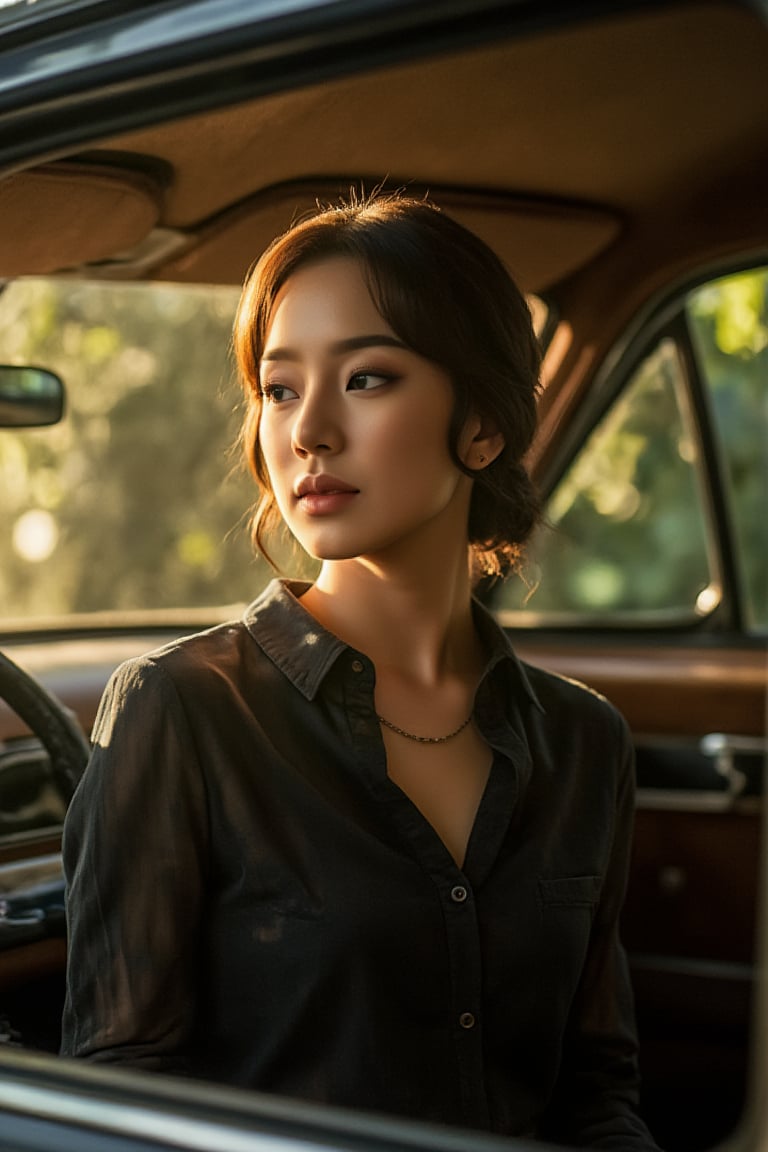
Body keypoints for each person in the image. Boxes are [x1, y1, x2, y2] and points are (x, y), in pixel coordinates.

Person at [61, 193, 660, 1149]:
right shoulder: (181, 711)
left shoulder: (586, 741)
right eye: (281, 388)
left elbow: (597, 1094)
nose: (309, 433)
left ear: (484, 425)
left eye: (369, 378)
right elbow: (123, 1104)